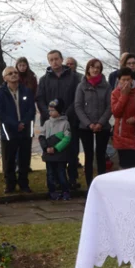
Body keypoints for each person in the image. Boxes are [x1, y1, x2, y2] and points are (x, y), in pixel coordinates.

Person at [37, 50, 82, 186]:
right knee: (53, 151)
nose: (54, 62)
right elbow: (40, 99)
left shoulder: (74, 77)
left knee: (72, 150)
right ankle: (55, 181)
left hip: (70, 120)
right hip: (50, 123)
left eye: (56, 59)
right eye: (51, 60)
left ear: (61, 59)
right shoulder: (44, 80)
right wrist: (49, 113)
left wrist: (66, 114)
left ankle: (72, 179)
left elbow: (77, 98)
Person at [0, 66, 35, 193]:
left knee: (24, 158)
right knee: (9, 158)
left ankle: (24, 184)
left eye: (15, 72)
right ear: (4, 78)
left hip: (25, 129)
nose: (13, 75)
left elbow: (31, 109)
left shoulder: (26, 91)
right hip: (9, 130)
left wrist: (23, 122)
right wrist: (15, 124)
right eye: (10, 73)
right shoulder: (0, 93)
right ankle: (10, 184)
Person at [75, 58, 112, 186]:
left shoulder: (106, 86)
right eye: (92, 67)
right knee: (88, 156)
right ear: (88, 69)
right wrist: (89, 124)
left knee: (101, 155)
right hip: (86, 127)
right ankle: (89, 184)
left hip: (103, 126)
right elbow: (78, 106)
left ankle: (101, 184)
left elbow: (110, 106)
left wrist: (100, 123)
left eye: (98, 67)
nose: (95, 70)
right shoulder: (82, 86)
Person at [39, 99, 72, 200]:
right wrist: (45, 147)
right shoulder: (47, 123)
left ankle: (65, 191)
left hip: (60, 154)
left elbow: (67, 138)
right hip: (49, 154)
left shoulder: (65, 123)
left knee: (61, 173)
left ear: (59, 111)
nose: (50, 112)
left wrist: (56, 148)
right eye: (49, 110)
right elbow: (41, 136)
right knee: (50, 174)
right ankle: (52, 191)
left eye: (53, 110)